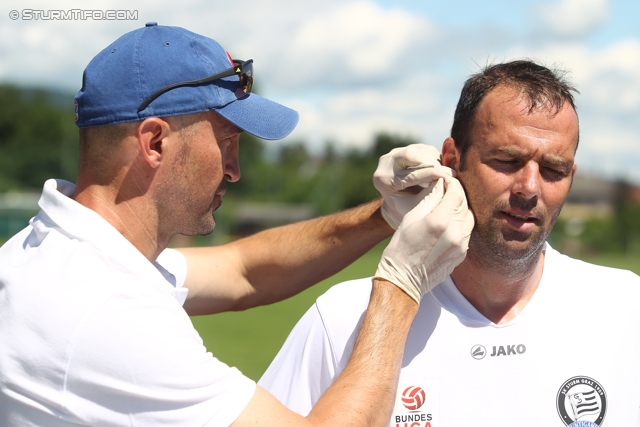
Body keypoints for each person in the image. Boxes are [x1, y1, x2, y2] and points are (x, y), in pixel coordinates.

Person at [0, 23, 474, 426]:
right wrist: (401, 283)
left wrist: (384, 214)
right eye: (226, 141)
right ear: (155, 142)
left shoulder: (59, 252)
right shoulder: (106, 312)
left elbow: (246, 270)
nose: (234, 169)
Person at [259, 60, 640, 427]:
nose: (529, 187)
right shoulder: (344, 318)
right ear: (452, 159)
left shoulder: (626, 308)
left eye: (554, 169)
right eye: (506, 160)